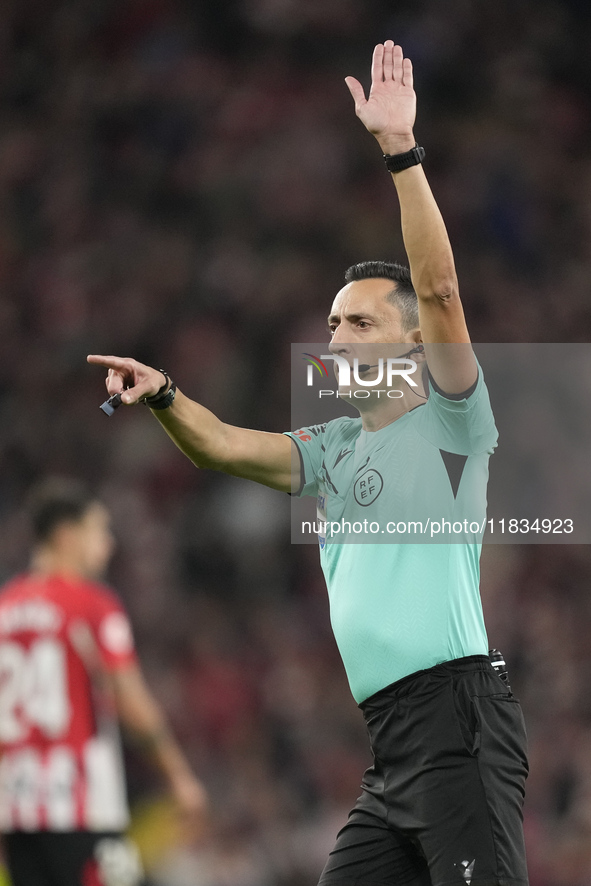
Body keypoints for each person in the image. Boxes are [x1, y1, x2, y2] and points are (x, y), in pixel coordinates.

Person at [88, 41, 529, 886]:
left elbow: (439, 290)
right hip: (391, 744)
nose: (335, 338)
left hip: (458, 720)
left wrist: (401, 154)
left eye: (358, 324)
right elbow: (220, 445)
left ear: (407, 343)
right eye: (332, 324)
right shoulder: (331, 449)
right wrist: (165, 394)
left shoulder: (450, 419)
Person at [0, 478, 207, 886]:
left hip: (16, 812)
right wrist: (178, 775)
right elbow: (129, 698)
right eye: (99, 530)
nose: (108, 543)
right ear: (66, 535)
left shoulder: (5, 607)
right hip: (80, 807)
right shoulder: (92, 603)